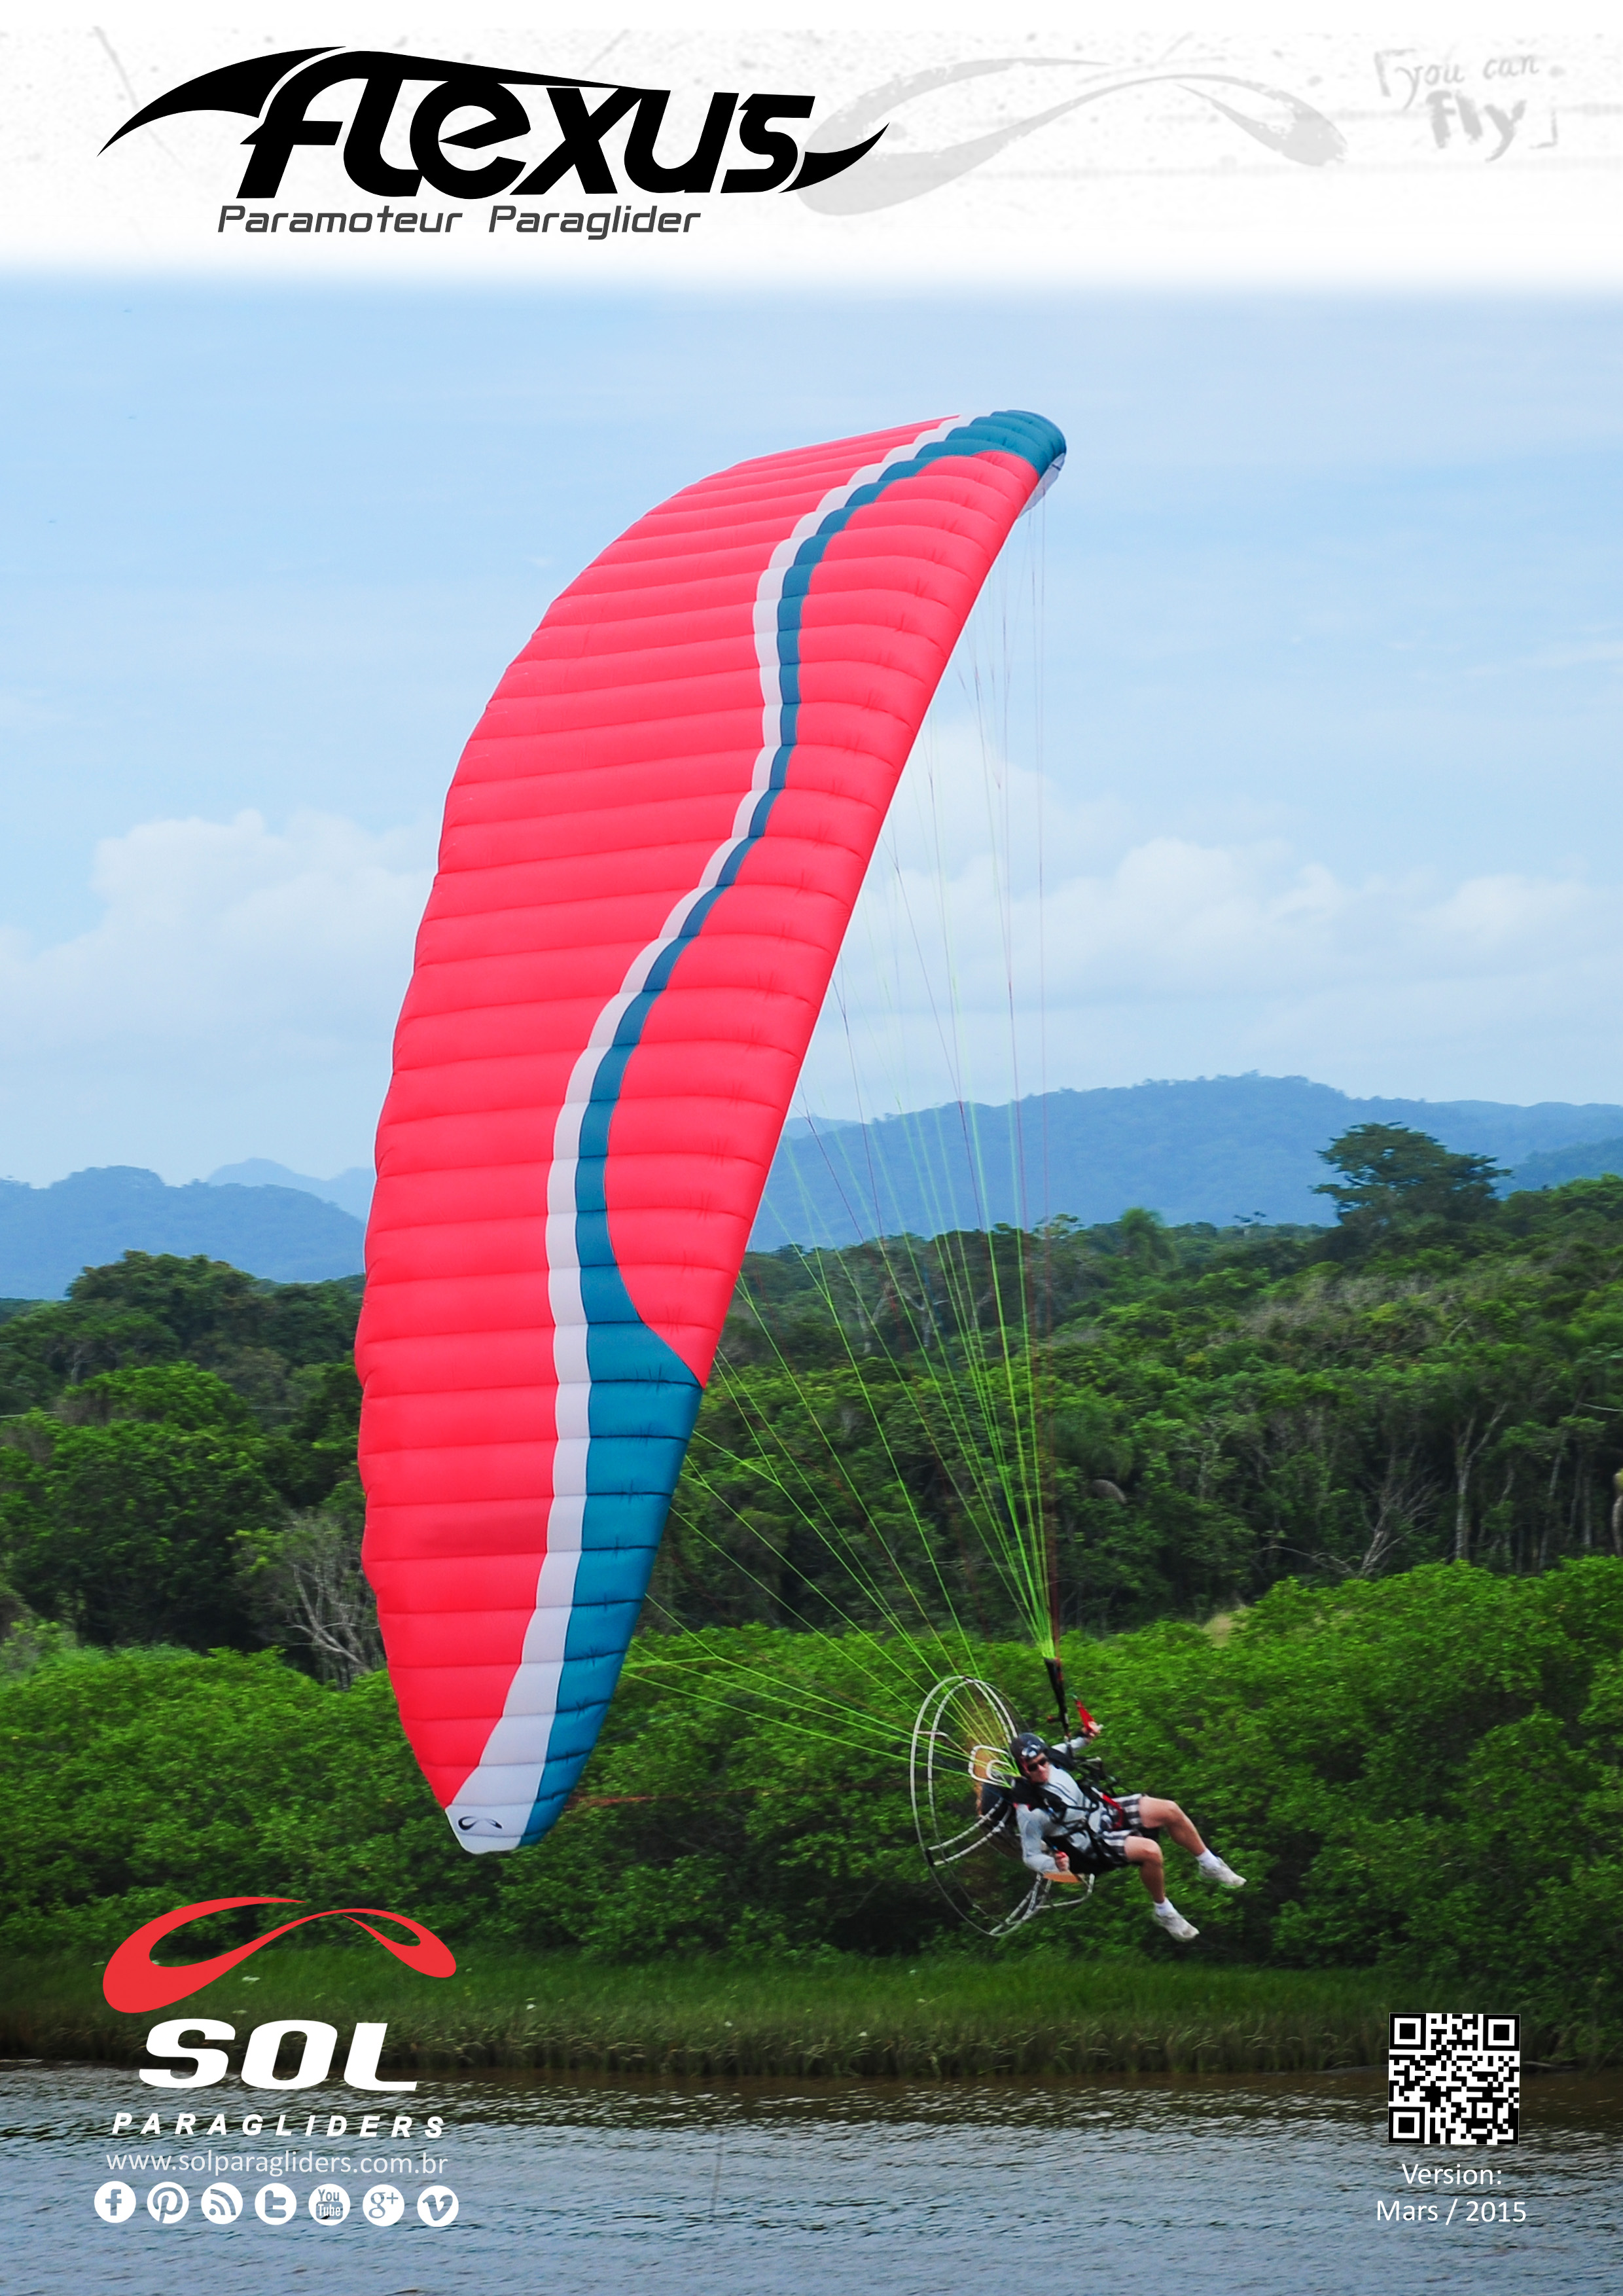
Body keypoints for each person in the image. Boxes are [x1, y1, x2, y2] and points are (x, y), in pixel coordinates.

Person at [1001, 1729, 1243, 1943]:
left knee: (1170, 1810)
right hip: (1091, 1843)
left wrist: (1086, 1735)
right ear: (1023, 1771)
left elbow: (1069, 1748)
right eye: (1033, 1767)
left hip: (1104, 1811)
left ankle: (1209, 1864)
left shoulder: (1052, 1759)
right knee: (1151, 1852)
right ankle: (1164, 1911)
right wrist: (1056, 1866)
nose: (1042, 1769)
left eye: (1043, 1762)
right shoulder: (1029, 1812)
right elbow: (1030, 1856)